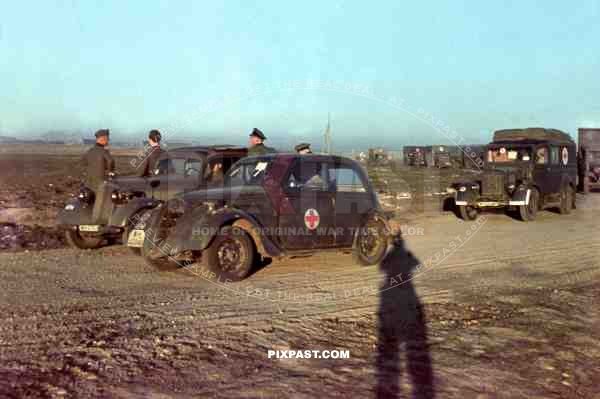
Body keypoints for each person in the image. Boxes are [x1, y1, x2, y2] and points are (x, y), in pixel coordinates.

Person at [81, 129, 115, 223]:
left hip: (88, 183)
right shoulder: (104, 151)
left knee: (90, 202)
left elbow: (83, 162)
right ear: (103, 139)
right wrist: (111, 171)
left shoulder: (89, 151)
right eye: (107, 139)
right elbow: (111, 161)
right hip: (101, 182)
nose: (108, 141)